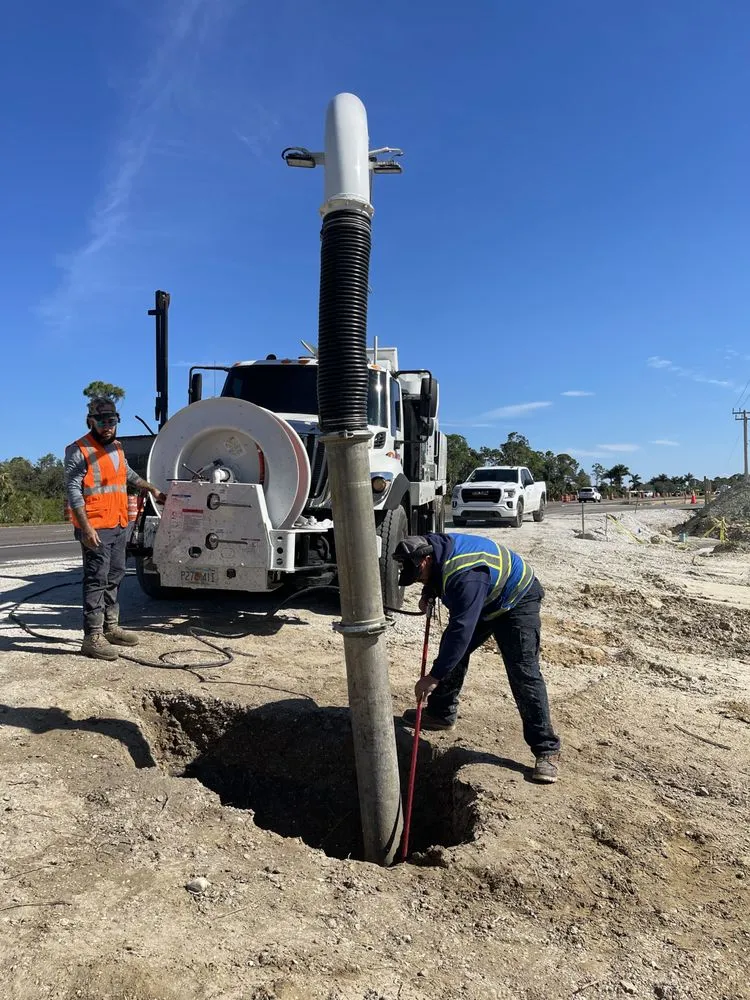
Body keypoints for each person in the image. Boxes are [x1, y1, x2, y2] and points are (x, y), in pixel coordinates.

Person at [394, 532, 561, 783]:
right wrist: (429, 591)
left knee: (523, 672)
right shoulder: (432, 545)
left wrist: (433, 677)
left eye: (417, 576)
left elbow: (462, 630)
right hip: (486, 596)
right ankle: (441, 714)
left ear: (425, 560)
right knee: (451, 651)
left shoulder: (466, 575)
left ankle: (546, 749)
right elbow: (438, 575)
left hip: (516, 600)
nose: (416, 581)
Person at [64, 396, 166, 661]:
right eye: (101, 421)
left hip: (120, 523)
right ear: (91, 421)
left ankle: (111, 627)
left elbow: (128, 475)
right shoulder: (79, 450)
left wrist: (151, 487)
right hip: (95, 527)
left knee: (116, 575)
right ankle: (92, 637)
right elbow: (73, 492)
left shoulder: (117, 448)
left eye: (111, 420)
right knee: (96, 579)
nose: (107, 425)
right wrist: (86, 528)